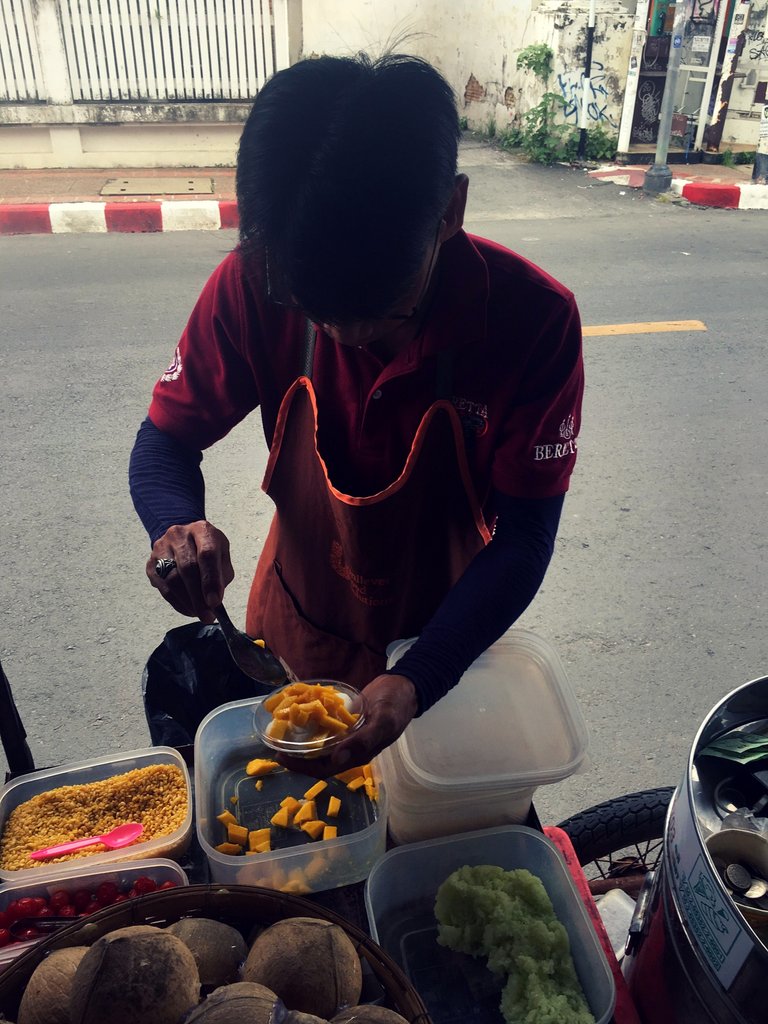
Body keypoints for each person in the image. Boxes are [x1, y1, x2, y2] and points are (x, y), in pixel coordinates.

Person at [129, 52, 583, 776]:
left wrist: (420, 675)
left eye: (380, 313)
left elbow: (526, 538)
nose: (345, 337)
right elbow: (163, 442)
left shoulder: (533, 322)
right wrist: (175, 527)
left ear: (450, 214)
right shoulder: (257, 281)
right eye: (317, 312)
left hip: (445, 647)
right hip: (290, 640)